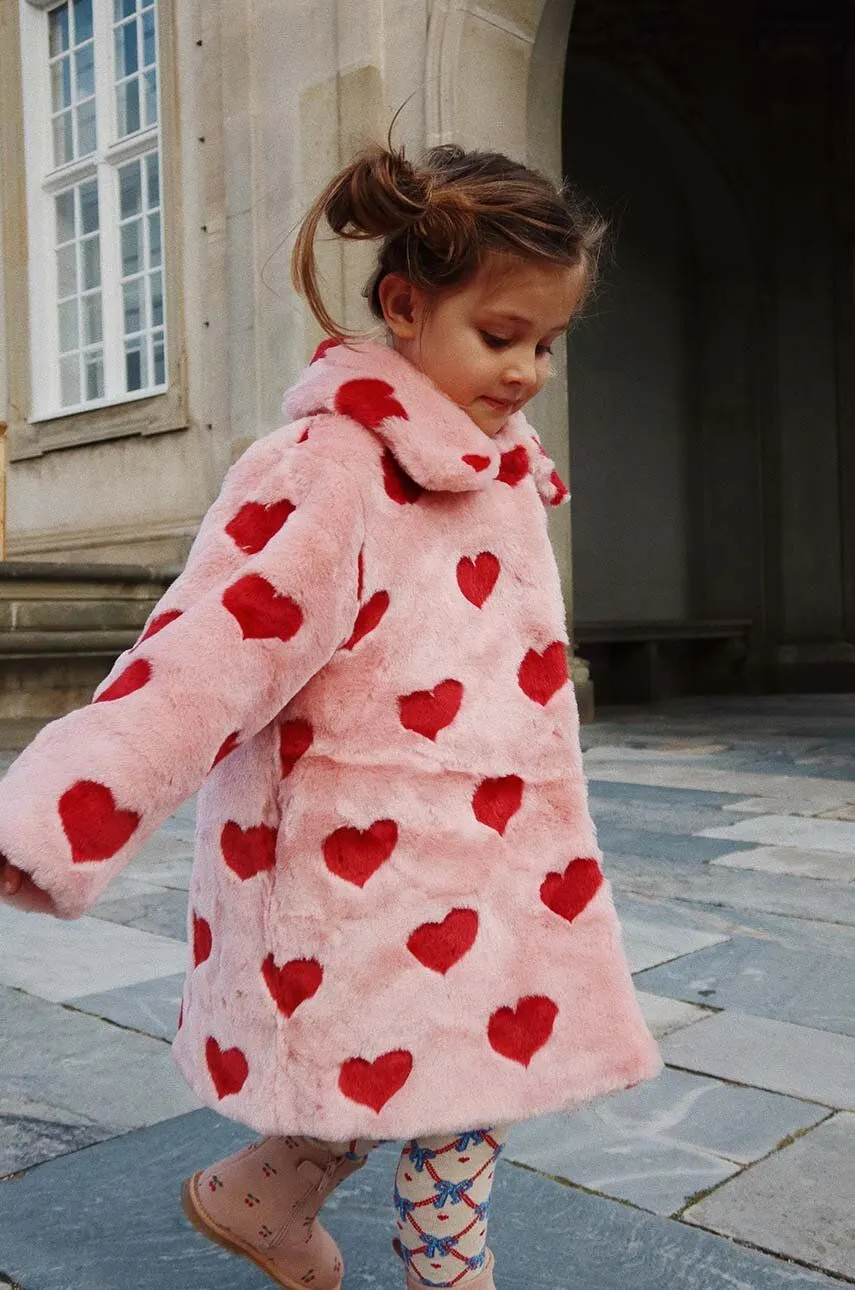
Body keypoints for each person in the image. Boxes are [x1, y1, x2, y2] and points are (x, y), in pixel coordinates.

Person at [0, 142, 661, 1289]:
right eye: (500, 336)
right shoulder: (329, 470)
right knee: (434, 1079)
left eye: (547, 344)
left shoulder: (498, 472)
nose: (527, 372)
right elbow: (209, 651)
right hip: (363, 869)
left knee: (441, 1072)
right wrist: (61, 811)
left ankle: (260, 1197)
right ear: (404, 307)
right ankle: (444, 1268)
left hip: (495, 858)